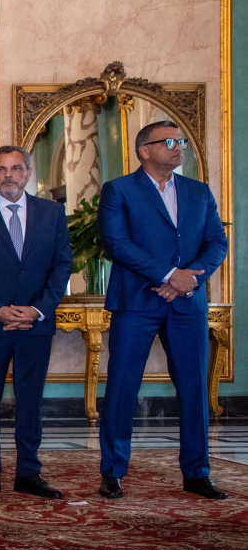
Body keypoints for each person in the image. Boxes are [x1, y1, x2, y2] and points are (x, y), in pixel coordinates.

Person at [97, 121, 230, 500]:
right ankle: (112, 471)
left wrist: (190, 279)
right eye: (169, 141)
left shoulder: (198, 192)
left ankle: (197, 472)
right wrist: (170, 274)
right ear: (144, 150)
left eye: (181, 141)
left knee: (194, 389)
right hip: (137, 301)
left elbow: (217, 242)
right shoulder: (119, 190)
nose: (178, 147)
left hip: (187, 303)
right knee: (123, 387)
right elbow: (116, 244)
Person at [0, 146, 72, 499]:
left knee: (31, 401)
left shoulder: (52, 213)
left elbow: (61, 267)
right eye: (2, 169)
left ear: (28, 172)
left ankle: (29, 473)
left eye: (16, 168)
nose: (9, 175)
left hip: (35, 325)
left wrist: (37, 311)